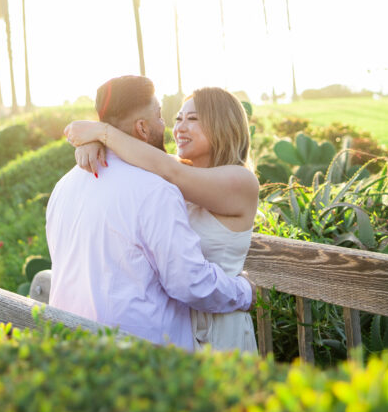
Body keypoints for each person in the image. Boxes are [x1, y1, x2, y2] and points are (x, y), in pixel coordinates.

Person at [46, 75, 255, 350]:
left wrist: (103, 134)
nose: (174, 126)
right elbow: (189, 283)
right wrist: (99, 140)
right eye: (173, 117)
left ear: (222, 125)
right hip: (176, 333)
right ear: (143, 127)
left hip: (218, 329)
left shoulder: (65, 186)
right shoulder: (160, 183)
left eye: (192, 119)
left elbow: (169, 170)